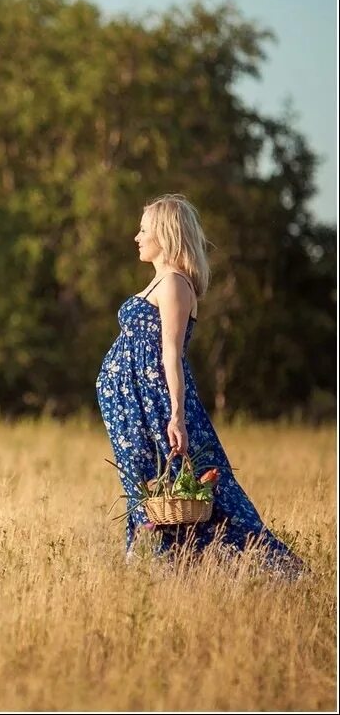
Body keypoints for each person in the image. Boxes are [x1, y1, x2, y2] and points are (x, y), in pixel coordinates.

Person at [95, 193, 302, 573]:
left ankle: (271, 568)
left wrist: (176, 415)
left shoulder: (174, 284)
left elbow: (171, 354)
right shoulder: (160, 281)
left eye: (144, 230)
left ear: (165, 234)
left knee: (182, 487)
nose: (136, 237)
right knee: (148, 487)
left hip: (154, 404)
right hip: (133, 407)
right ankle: (156, 568)